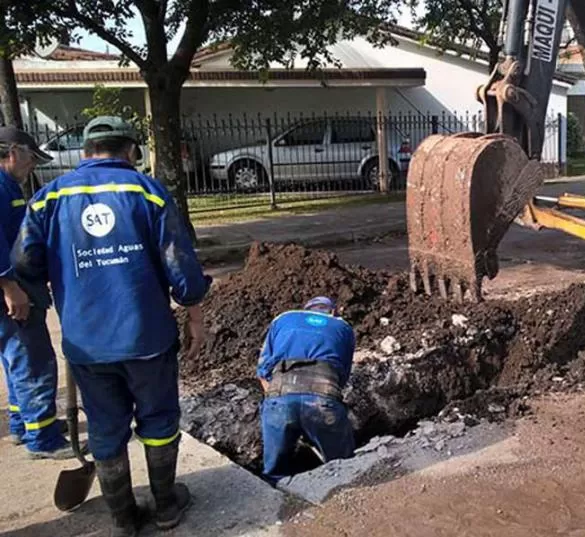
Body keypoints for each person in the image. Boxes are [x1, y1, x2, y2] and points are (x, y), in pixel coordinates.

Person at [13, 116, 211, 537]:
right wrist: (195, 316)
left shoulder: (48, 199)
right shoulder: (149, 193)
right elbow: (183, 269)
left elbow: (25, 261)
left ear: (86, 152)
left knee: (105, 425)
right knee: (158, 421)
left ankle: (123, 518)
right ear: (131, 151)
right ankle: (165, 506)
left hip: (87, 343)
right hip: (147, 339)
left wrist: (58, 287)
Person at [0, 126, 74, 459]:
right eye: (31, 157)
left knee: (16, 359)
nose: (33, 165)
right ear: (13, 152)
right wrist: (10, 286)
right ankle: (43, 439)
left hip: (15, 286)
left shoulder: (8, 186)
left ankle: (23, 424)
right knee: (33, 360)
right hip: (10, 291)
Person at [257, 296, 356, 483]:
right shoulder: (343, 327)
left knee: (274, 473)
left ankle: (278, 496)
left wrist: (281, 404)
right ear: (333, 312)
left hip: (279, 396)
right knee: (344, 468)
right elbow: (342, 375)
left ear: (306, 309)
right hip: (322, 398)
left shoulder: (283, 318)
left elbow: (262, 372)